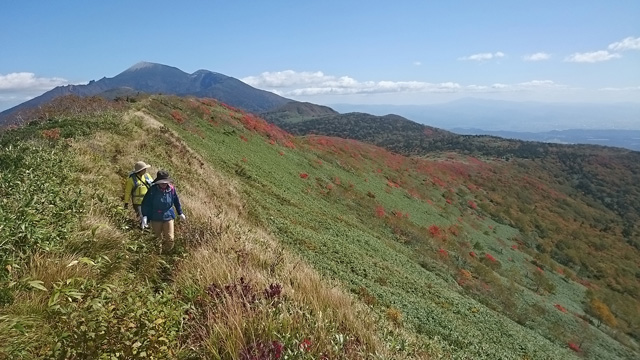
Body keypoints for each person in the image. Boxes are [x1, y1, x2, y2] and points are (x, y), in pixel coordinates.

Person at [141, 170, 186, 254]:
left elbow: (176, 201)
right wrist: (145, 216)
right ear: (158, 182)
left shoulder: (172, 189)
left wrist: (180, 213)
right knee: (156, 238)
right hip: (155, 217)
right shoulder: (152, 190)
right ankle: (157, 257)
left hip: (168, 216)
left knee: (170, 238)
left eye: (166, 182)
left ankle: (167, 254)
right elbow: (145, 203)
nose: (164, 184)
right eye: (162, 182)